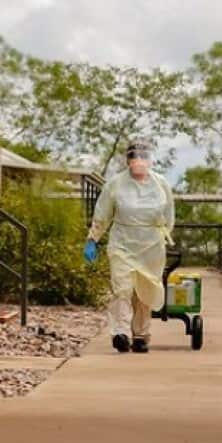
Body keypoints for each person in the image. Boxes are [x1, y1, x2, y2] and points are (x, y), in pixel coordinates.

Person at [83, 139, 175, 353]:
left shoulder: (161, 184)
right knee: (122, 288)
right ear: (128, 161)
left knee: (145, 290)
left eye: (143, 157)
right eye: (134, 157)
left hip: (151, 244)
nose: (139, 161)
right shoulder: (115, 184)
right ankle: (120, 333)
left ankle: (141, 335)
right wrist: (92, 239)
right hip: (122, 242)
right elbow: (102, 213)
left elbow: (169, 215)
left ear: (150, 160)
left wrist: (164, 236)